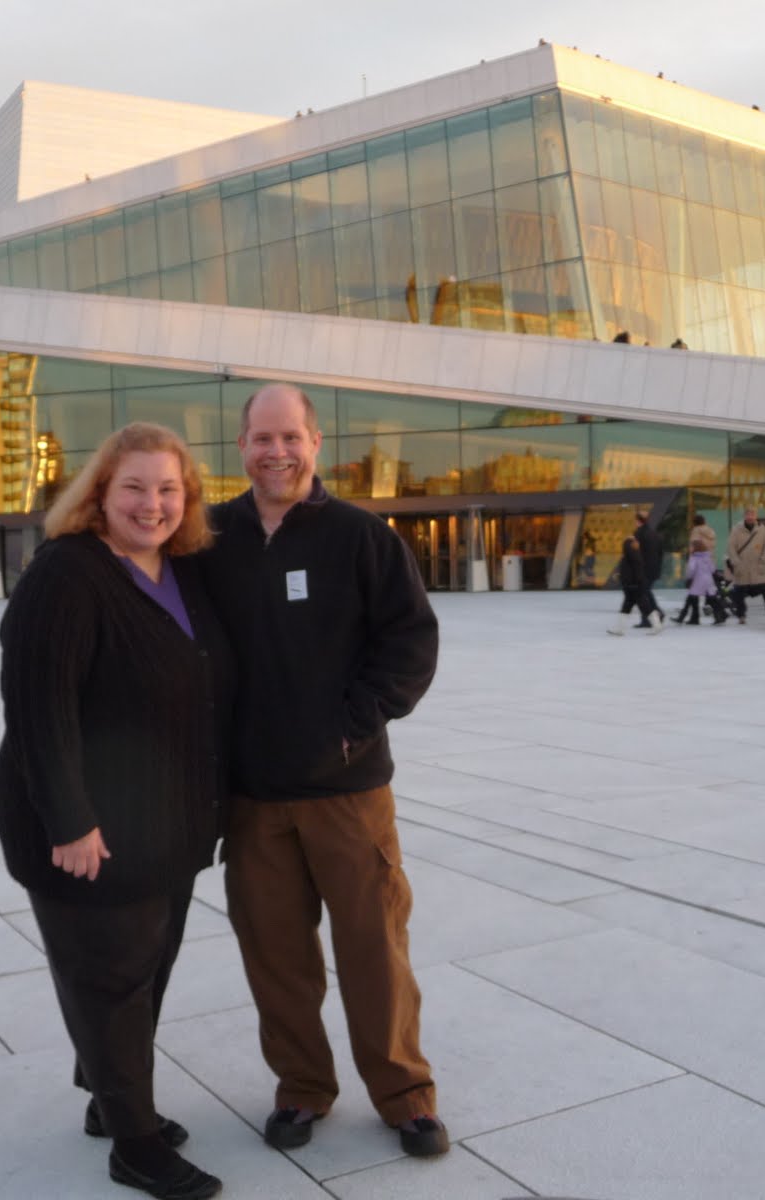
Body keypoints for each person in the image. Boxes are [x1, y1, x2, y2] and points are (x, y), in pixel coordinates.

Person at [199, 384, 450, 1159]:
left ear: (315, 443)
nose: (276, 452)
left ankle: (405, 1093)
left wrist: (353, 724)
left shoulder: (360, 537)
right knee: (276, 956)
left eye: (290, 437)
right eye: (261, 438)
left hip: (348, 791)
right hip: (252, 797)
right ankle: (302, 1088)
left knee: (375, 946)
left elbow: (410, 640)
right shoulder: (208, 539)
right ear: (240, 448)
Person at [0, 422, 234, 1200]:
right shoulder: (67, 574)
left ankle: (109, 1097)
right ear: (98, 492)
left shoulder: (184, 571)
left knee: (146, 969)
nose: (152, 504)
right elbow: (37, 704)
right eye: (133, 486)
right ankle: (136, 1144)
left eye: (169, 489)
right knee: (111, 980)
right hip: (85, 825)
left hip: (164, 821)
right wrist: (68, 819)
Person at [726, 507, 765, 625]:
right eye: (748, 514)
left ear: (756, 516)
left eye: (752, 514)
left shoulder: (762, 529)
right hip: (742, 568)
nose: (750, 516)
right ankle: (741, 615)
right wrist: (736, 563)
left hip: (758, 568)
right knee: (739, 593)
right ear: (744, 516)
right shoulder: (736, 530)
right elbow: (731, 547)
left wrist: (763, 561)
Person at [616, 534, 663, 634]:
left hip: (634, 586)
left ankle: (656, 624)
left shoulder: (631, 557)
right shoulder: (634, 555)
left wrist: (634, 583)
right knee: (627, 607)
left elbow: (635, 573)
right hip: (632, 586)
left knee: (644, 606)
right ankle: (619, 629)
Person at [631, 510, 665, 630]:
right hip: (654, 568)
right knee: (646, 592)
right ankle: (656, 613)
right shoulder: (655, 534)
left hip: (643, 569)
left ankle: (648, 618)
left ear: (637, 521)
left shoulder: (638, 534)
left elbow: (635, 553)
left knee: (642, 594)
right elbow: (661, 553)